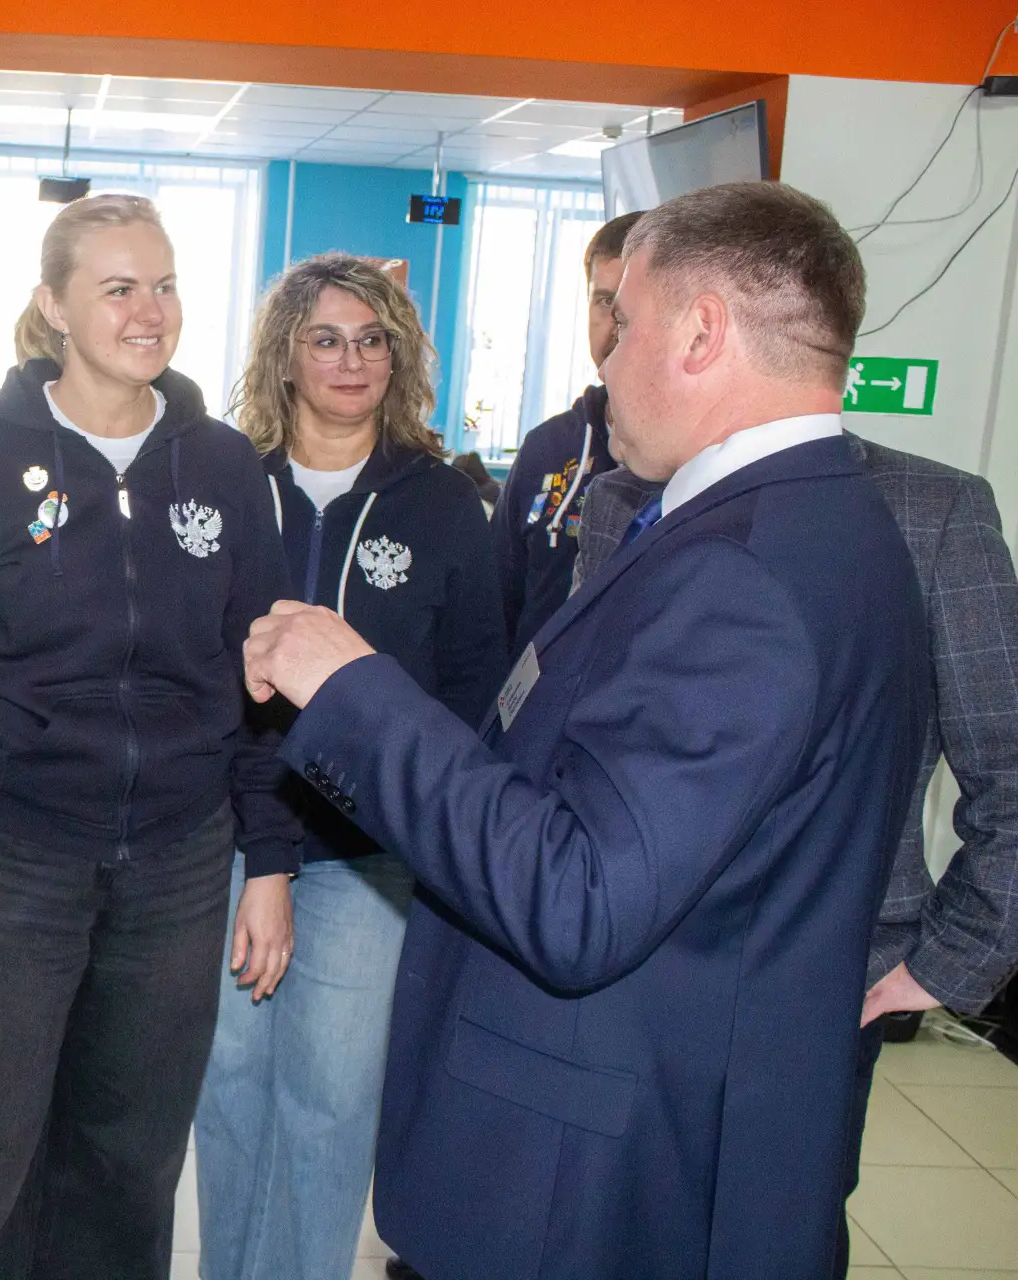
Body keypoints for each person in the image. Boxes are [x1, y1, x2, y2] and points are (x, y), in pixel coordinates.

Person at [242, 182, 929, 1278]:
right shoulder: (826, 521)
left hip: (596, 1176)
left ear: (700, 333)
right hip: (670, 1112)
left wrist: (352, 691)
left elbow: (579, 895)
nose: (605, 361)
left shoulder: (744, 573)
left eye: (626, 322)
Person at [0, 193, 301, 1280]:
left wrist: (271, 860)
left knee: (129, 1163)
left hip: (178, 865)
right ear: (54, 306)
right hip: (9, 860)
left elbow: (264, 681)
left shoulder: (223, 467)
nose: (150, 311)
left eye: (165, 285)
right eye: (118, 288)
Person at [573, 431, 1018, 1280]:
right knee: (610, 1232)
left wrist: (956, 957)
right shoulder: (623, 498)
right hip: (627, 958)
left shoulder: (931, 508)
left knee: (768, 1240)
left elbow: (1009, 762)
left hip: (821, 980)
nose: (609, 363)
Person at [194, 252, 506, 1280]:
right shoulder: (230, 484)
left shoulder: (443, 502)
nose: (351, 360)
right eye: (325, 339)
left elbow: (472, 685)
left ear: (399, 356)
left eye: (373, 340)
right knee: (228, 1086)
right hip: (228, 840)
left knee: (328, 1101)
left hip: (368, 853)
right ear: (284, 356)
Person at [491, 211, 643, 654]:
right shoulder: (548, 447)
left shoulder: (699, 451)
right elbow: (494, 605)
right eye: (603, 301)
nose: (615, 322)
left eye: (631, 305)